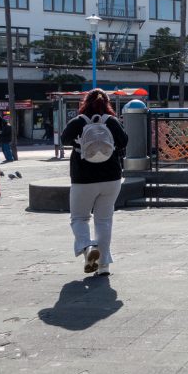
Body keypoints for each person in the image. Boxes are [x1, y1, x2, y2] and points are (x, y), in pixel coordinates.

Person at [61, 89, 128, 276]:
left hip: (83, 178)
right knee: (104, 221)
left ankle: (87, 246)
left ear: (85, 102)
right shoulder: (112, 121)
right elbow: (124, 142)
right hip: (111, 177)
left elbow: (64, 139)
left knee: (79, 218)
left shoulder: (78, 121)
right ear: (107, 103)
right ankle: (103, 265)